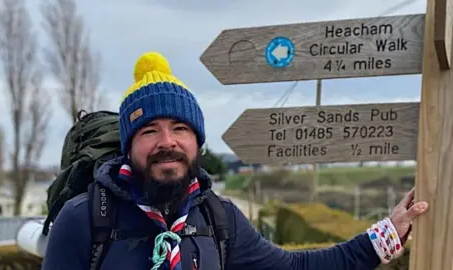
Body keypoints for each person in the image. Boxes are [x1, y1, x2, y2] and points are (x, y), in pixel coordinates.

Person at [41, 52, 429, 270]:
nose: (167, 142)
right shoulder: (85, 219)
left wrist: (384, 237)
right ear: (129, 146)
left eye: (180, 128)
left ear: (197, 142)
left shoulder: (219, 218)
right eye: (148, 131)